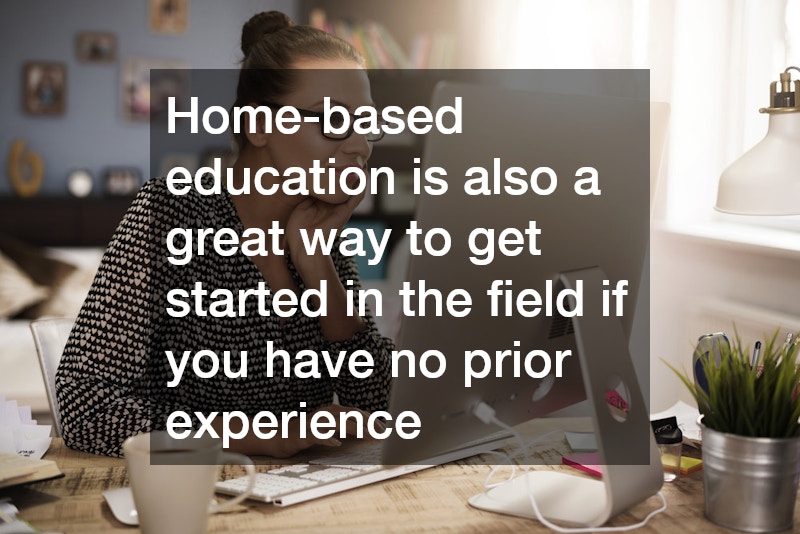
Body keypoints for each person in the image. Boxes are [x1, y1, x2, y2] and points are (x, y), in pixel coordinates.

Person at [56, 11, 394, 458]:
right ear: (258, 126)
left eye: (366, 124)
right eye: (332, 120)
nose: (360, 146)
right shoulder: (170, 213)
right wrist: (254, 433)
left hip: (299, 504)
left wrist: (317, 266)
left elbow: (379, 404)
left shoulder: (321, 231)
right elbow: (84, 406)